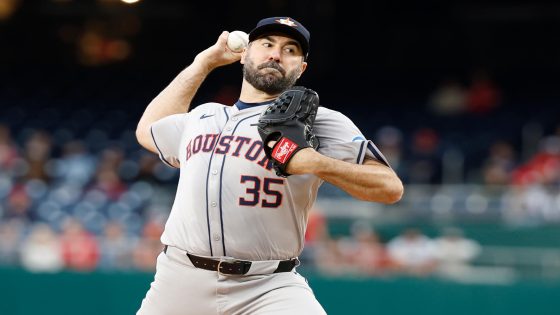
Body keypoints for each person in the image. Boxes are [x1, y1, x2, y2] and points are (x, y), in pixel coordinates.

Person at [134, 16, 403, 315]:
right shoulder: (203, 116)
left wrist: (317, 162)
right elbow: (148, 130)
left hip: (268, 285)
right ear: (245, 53)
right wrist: (203, 64)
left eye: (290, 50)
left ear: (300, 69)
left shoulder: (317, 121)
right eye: (267, 44)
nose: (276, 54)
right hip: (180, 279)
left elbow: (389, 188)